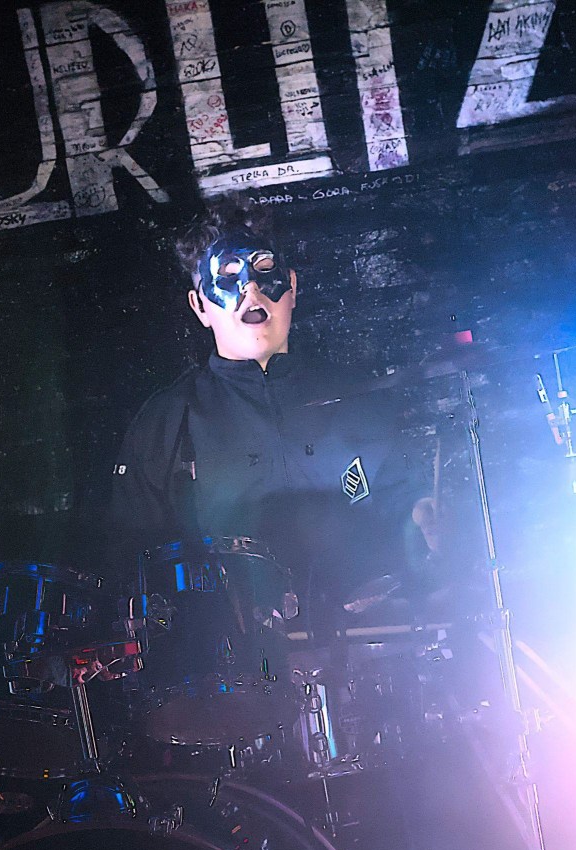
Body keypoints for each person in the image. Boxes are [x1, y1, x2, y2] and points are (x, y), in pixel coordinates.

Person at [109, 198, 439, 626]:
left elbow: (405, 501)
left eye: (264, 268)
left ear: (293, 287)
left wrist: (424, 515)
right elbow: (132, 552)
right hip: (233, 651)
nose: (251, 289)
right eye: (228, 276)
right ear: (200, 306)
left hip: (367, 642)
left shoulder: (360, 397)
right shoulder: (168, 421)